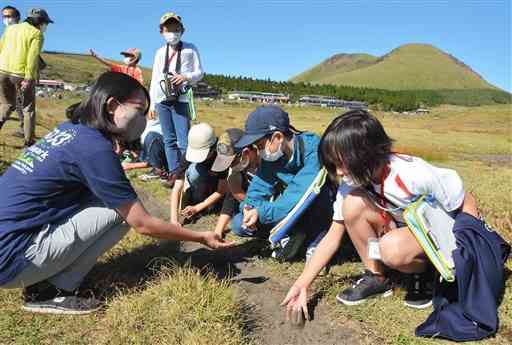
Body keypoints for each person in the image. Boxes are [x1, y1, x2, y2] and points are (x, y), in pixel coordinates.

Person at [0, 72, 231, 315]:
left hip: (8, 243)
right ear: (112, 106)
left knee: (106, 199)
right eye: (140, 110)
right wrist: (199, 237)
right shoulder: (94, 148)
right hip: (11, 259)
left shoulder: (70, 130)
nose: (144, 119)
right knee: (120, 213)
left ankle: (50, 275)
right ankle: (52, 291)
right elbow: (142, 224)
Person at [282, 110, 473, 318]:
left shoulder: (413, 173)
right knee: (352, 204)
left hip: (436, 236)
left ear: (367, 153)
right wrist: (302, 284)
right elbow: (332, 236)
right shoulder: (351, 180)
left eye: (342, 162)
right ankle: (377, 276)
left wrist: (471, 254)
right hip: (399, 232)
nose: (338, 172)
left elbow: (464, 200)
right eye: (333, 164)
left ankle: (424, 274)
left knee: (391, 248)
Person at [231, 105, 332, 261]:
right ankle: (291, 233)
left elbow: (298, 196)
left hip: (315, 205)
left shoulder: (315, 150)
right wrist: (248, 207)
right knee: (239, 223)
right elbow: (258, 187)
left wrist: (261, 212)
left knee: (317, 199)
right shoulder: (272, 154)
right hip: (287, 207)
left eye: (259, 145)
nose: (259, 152)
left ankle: (318, 238)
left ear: (277, 137)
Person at [149, 12, 204, 187]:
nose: (172, 32)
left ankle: (186, 173)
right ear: (161, 31)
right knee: (168, 139)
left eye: (176, 28)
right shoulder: (159, 53)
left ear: (182, 30)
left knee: (183, 140)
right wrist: (152, 103)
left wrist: (185, 77)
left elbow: (200, 73)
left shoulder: (190, 48)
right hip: (162, 99)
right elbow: (155, 78)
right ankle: (174, 174)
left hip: (181, 99)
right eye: (169, 29)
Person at [0, 8, 53, 146]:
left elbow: (1, 48)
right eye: (45, 23)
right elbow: (32, 57)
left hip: (2, 71)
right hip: (20, 74)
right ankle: (29, 142)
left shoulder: (11, 29)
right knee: (27, 109)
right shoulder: (37, 34)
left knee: (6, 104)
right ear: (39, 22)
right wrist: (29, 77)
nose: (45, 26)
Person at [169, 123, 228, 225]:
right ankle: (197, 200)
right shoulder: (187, 155)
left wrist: (197, 208)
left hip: (218, 186)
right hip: (202, 182)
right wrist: (174, 220)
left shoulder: (222, 156)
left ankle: (209, 205)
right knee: (194, 171)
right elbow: (177, 187)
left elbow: (222, 190)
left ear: (212, 147)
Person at [210, 129, 259, 238]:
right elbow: (230, 200)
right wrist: (217, 232)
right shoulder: (237, 172)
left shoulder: (267, 161)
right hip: (254, 207)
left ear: (246, 152)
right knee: (237, 224)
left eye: (232, 162)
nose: (230, 166)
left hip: (274, 205)